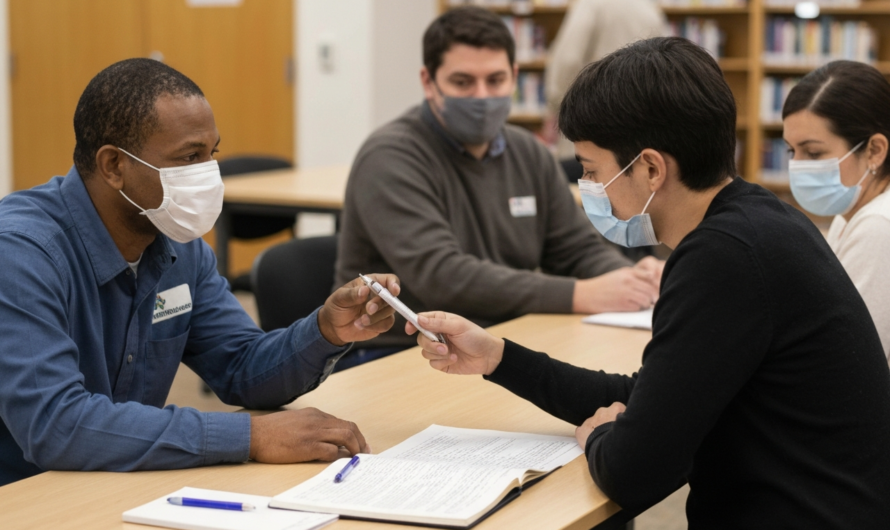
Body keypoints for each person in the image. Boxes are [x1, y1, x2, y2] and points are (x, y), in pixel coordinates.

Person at [407, 38, 890, 528]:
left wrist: (598, 436)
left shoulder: (723, 257)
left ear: (652, 168)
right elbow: (654, 395)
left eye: (593, 172)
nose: (590, 190)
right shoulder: (760, 218)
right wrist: (498, 358)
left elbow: (634, 472)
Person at [0, 58, 400, 486]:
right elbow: (57, 426)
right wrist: (249, 436)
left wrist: (326, 330)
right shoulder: (22, 251)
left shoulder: (178, 244)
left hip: (118, 483)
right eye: (190, 157)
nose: (209, 175)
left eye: (212, 154)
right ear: (114, 165)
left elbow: (244, 369)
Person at [335, 6, 662, 348]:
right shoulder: (390, 156)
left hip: (497, 341)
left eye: (495, 80)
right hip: (400, 351)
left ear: (514, 76)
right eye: (463, 82)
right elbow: (443, 277)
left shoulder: (528, 152)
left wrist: (630, 279)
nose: (481, 96)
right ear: (428, 83)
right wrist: (582, 294)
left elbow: (574, 249)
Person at [783, 61, 890, 364]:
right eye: (792, 151)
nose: (798, 165)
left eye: (813, 153)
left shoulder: (879, 225)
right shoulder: (852, 209)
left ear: (874, 151)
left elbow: (847, 355)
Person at [544, 0, 664, 161]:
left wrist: (555, 106)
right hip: (638, 120)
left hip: (590, 115)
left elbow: (568, 59)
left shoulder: (591, 5)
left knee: (583, 175)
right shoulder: (649, 7)